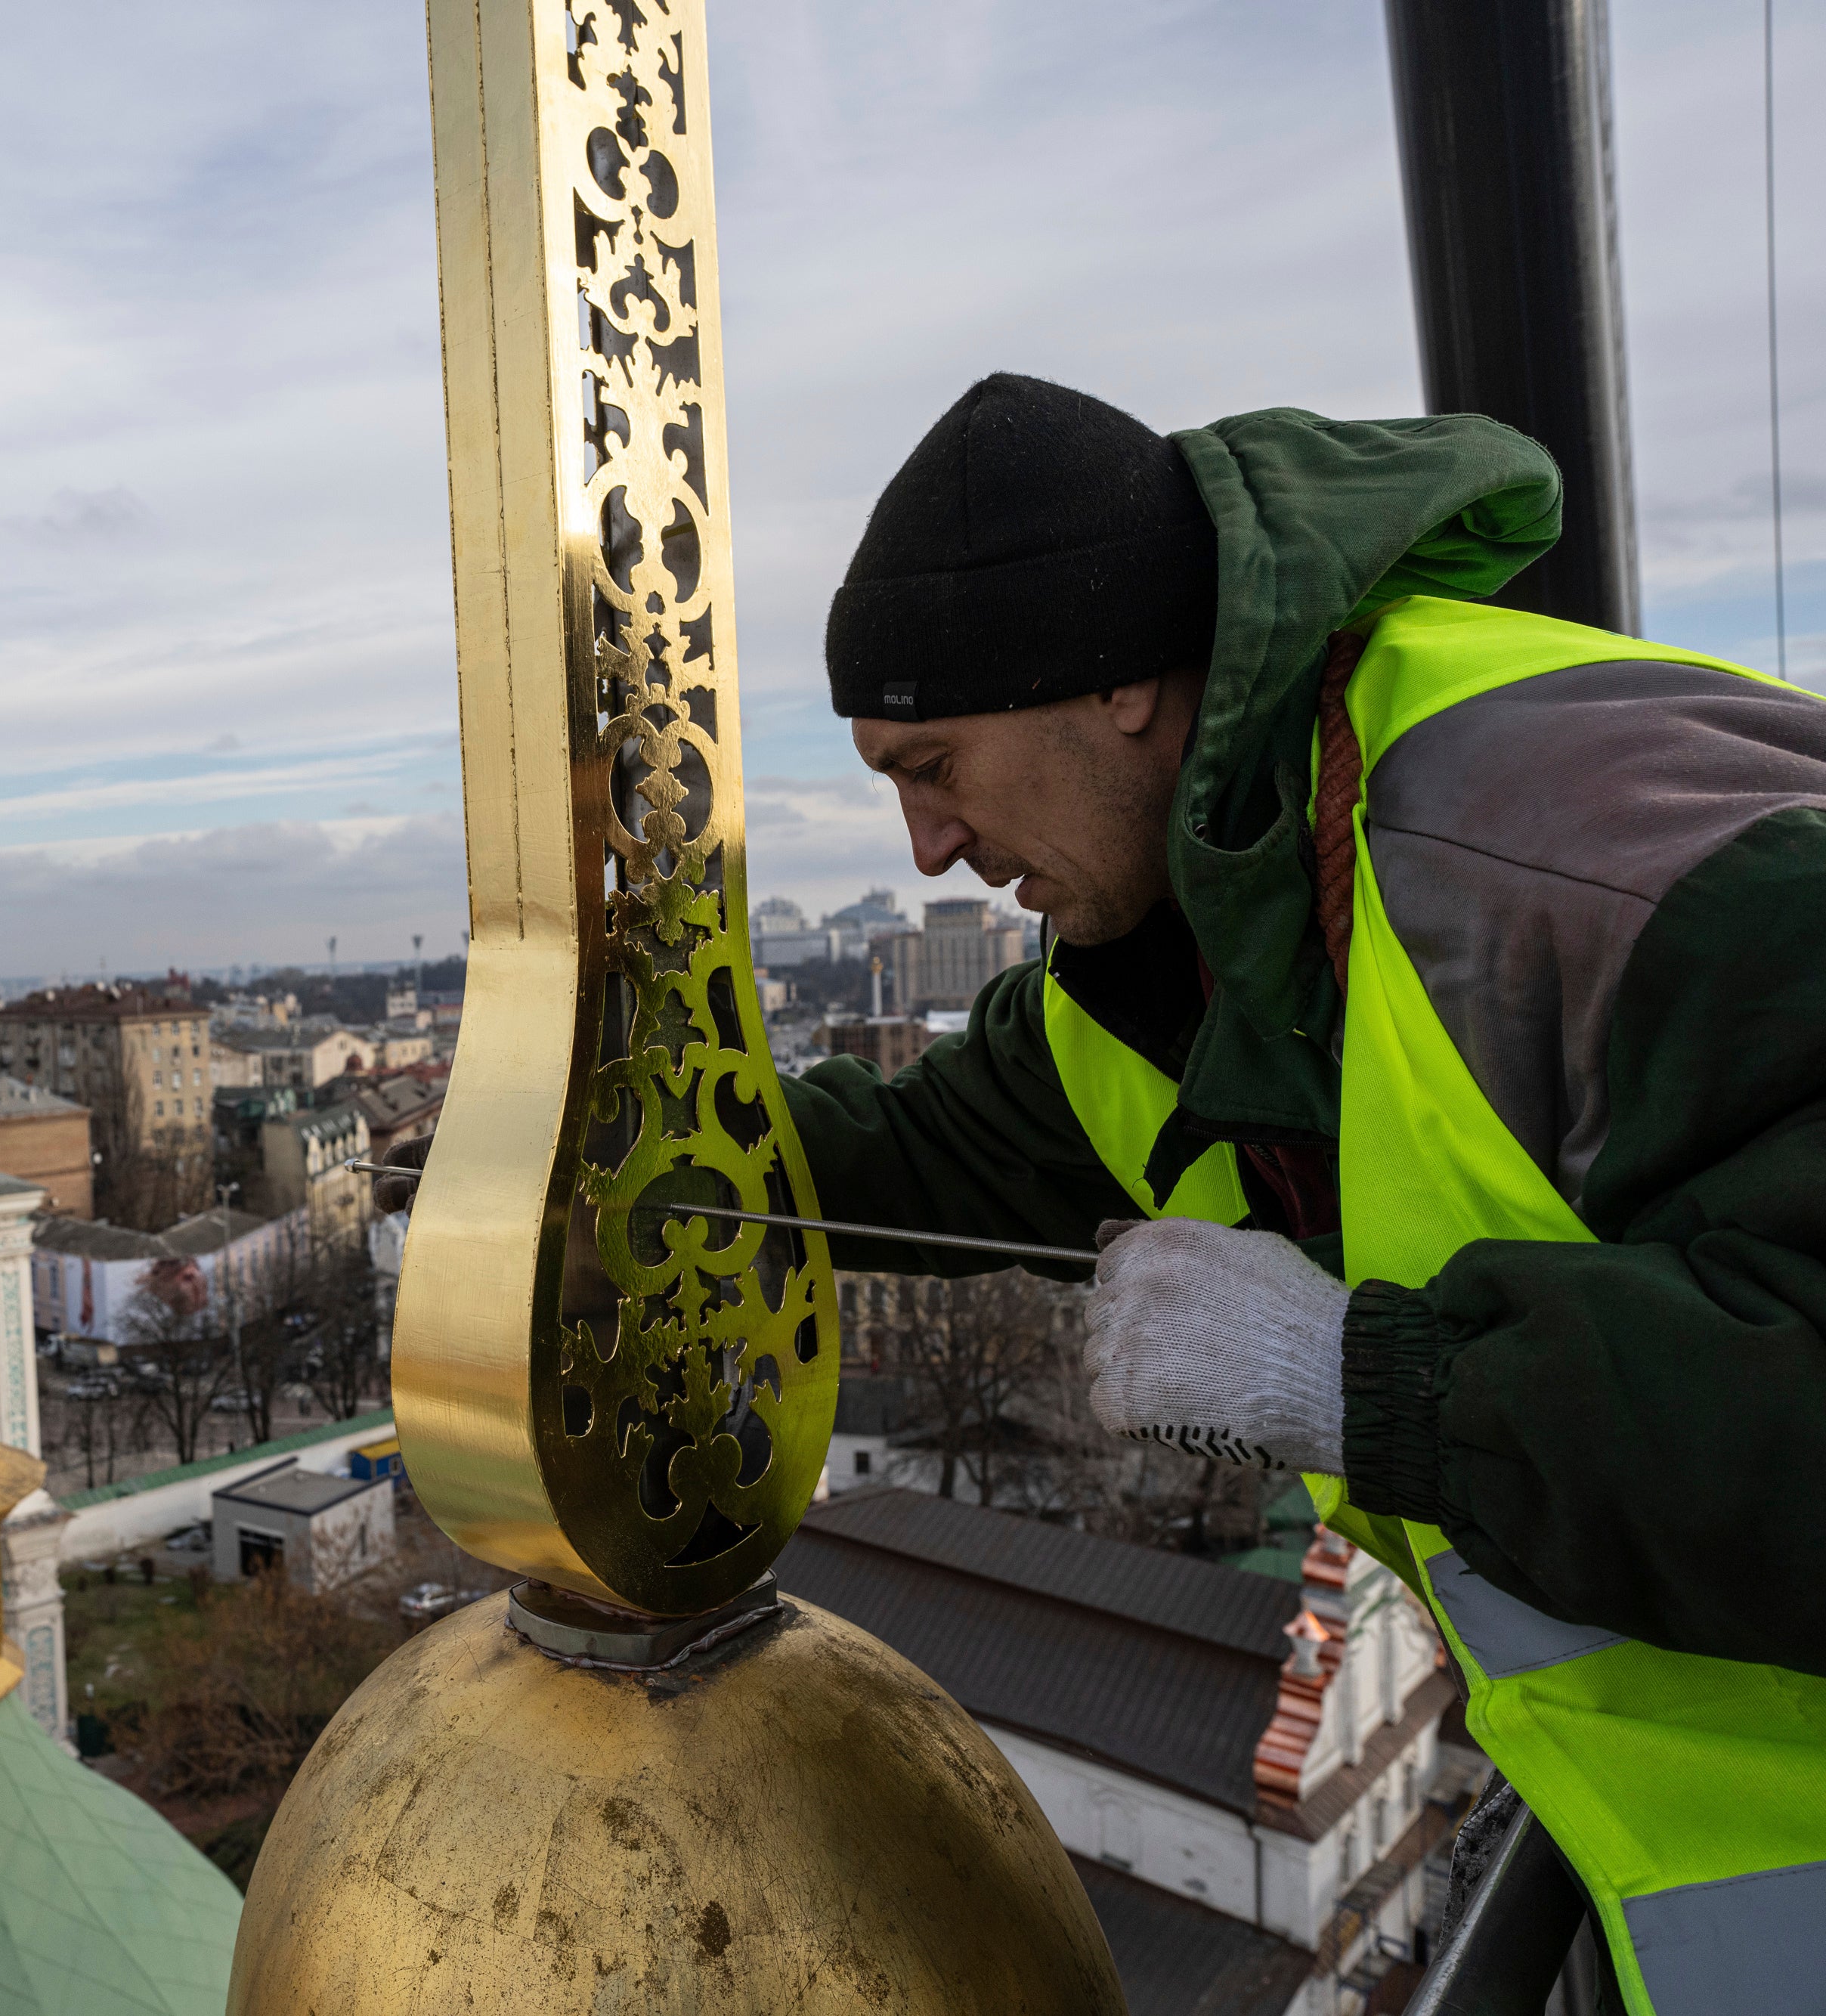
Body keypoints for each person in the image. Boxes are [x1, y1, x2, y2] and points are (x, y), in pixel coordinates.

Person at [378, 373, 1826, 2008]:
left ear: (1121, 683)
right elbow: (903, 1155)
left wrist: (1360, 1381)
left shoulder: (1589, 852)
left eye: (935, 764)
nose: (925, 846)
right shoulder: (1145, 968)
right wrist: (546, 1164)